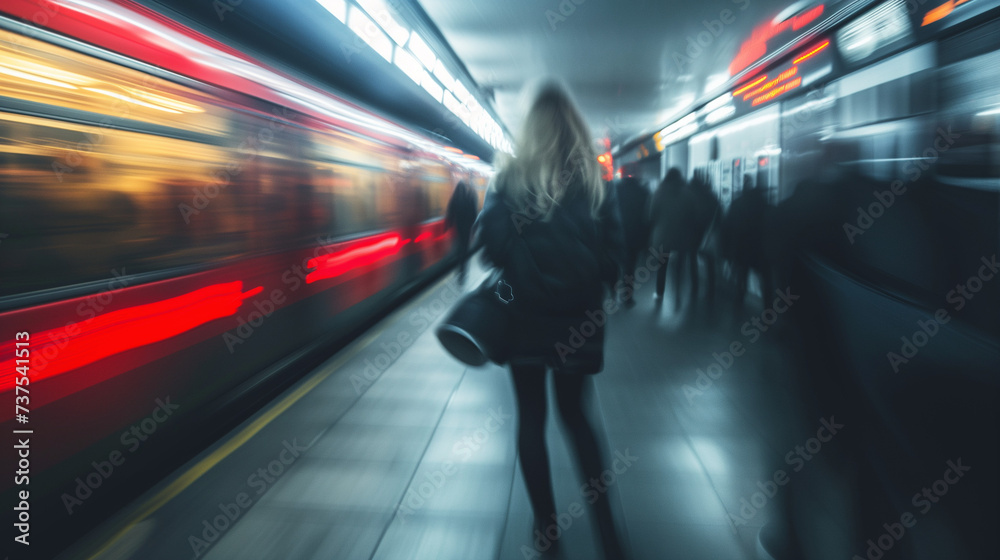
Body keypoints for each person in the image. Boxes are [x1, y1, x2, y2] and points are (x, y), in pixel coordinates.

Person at [476, 83, 628, 559]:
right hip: (578, 321)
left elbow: (490, 249)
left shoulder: (509, 178)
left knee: (531, 421)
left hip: (523, 318)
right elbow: (615, 255)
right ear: (574, 126)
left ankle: (548, 534)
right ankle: (608, 532)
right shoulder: (595, 182)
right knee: (578, 418)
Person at [616, 176, 651, 306]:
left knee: (616, 264)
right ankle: (627, 297)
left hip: (618, 233)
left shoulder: (616, 190)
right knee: (630, 267)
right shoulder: (643, 192)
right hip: (635, 235)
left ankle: (613, 293)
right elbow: (648, 217)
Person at [444, 180, 478, 284]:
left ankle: (459, 270)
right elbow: (474, 213)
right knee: (465, 250)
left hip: (458, 228)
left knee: (459, 250)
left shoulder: (455, 198)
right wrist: (474, 227)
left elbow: (450, 213)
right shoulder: (469, 198)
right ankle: (463, 272)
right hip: (467, 229)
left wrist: (447, 226)